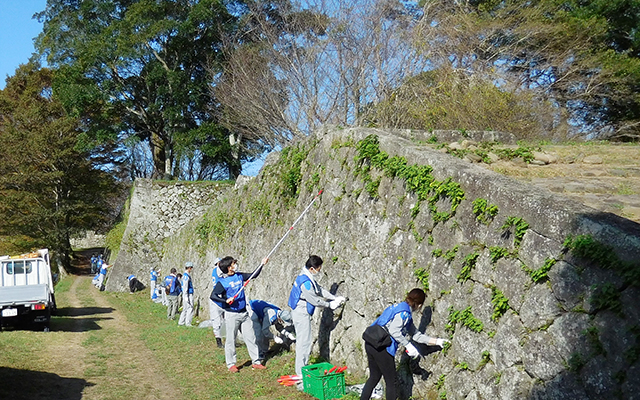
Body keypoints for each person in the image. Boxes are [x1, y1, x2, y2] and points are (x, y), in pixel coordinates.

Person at [360, 288, 450, 400]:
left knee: (374, 377)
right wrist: (408, 345)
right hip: (382, 347)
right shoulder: (405, 313)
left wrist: (437, 341)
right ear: (419, 305)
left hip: (371, 342)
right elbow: (394, 330)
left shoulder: (398, 307)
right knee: (391, 381)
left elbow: (416, 335)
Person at [288, 255, 345, 378]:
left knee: (304, 341)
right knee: (304, 342)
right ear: (313, 268)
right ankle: (301, 372)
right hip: (300, 313)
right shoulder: (306, 283)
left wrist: (333, 297)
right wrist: (329, 305)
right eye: (319, 269)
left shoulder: (306, 276)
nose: (319, 271)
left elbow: (319, 289)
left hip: (301, 312)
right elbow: (314, 300)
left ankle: (302, 368)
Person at [210, 256, 268, 372]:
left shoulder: (239, 276)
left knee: (251, 337)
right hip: (232, 315)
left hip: (244, 314)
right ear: (228, 267)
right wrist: (225, 300)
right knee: (231, 339)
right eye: (233, 264)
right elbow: (213, 296)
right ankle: (231, 364)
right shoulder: (222, 282)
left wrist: (262, 264)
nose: (235, 265)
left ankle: (256, 361)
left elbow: (254, 275)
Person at [209, 258, 225, 348]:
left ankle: (227, 339)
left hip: (220, 297)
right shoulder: (217, 271)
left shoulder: (215, 271)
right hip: (217, 298)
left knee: (223, 321)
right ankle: (218, 341)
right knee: (217, 321)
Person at [178, 262, 195, 327]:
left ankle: (181, 322)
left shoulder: (184, 276)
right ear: (189, 268)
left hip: (186, 294)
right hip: (188, 294)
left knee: (185, 309)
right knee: (190, 308)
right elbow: (185, 287)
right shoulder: (186, 276)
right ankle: (188, 323)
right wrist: (186, 297)